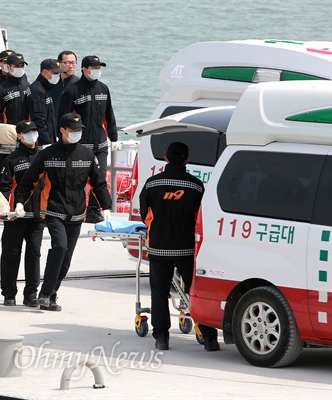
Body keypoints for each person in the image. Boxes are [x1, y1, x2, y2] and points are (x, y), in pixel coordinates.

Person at [14, 113, 112, 311]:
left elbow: (99, 183)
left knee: (65, 260)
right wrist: (19, 202)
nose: (77, 133)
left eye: (79, 130)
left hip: (77, 213)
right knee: (59, 247)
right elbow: (28, 181)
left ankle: (51, 295)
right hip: (54, 210)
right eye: (73, 130)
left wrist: (106, 206)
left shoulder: (86, 155)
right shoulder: (47, 154)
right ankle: (45, 294)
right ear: (62, 130)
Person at [139, 142, 220, 351]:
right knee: (195, 291)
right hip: (186, 247)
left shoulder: (152, 184)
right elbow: (201, 217)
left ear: (165, 158)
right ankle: (210, 337)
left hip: (158, 246)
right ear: (186, 160)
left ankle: (161, 338)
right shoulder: (196, 185)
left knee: (159, 292)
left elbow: (144, 213)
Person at [57, 55, 119, 223]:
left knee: (99, 177)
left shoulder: (103, 89)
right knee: (76, 178)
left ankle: (93, 210)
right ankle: (72, 209)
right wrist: (63, 139)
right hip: (80, 143)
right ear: (84, 69)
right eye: (93, 68)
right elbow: (62, 118)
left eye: (99, 68)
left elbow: (109, 115)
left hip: (100, 143)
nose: (97, 71)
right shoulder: (72, 91)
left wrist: (113, 137)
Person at [0, 120, 45, 307]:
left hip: (37, 215)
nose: (31, 135)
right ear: (19, 135)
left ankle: (31, 294)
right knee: (11, 254)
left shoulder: (43, 157)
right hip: (15, 216)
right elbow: (4, 186)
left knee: (34, 254)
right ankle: (9, 294)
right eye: (27, 132)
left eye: (34, 131)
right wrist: (7, 211)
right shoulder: (11, 159)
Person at [25, 59, 65, 145]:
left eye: (58, 73)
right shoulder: (38, 91)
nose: (57, 76)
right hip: (42, 142)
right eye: (55, 73)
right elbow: (39, 119)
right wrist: (46, 141)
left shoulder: (45, 88)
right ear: (44, 72)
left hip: (50, 136)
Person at [0, 52, 30, 125]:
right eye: (16, 66)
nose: (19, 68)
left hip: (26, 130)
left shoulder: (27, 86)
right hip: (9, 131)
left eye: (22, 66)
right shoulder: (0, 90)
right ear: (9, 67)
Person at [49, 50, 79, 117]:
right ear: (59, 64)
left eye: (73, 63)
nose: (71, 66)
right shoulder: (52, 83)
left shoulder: (79, 84)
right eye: (67, 63)